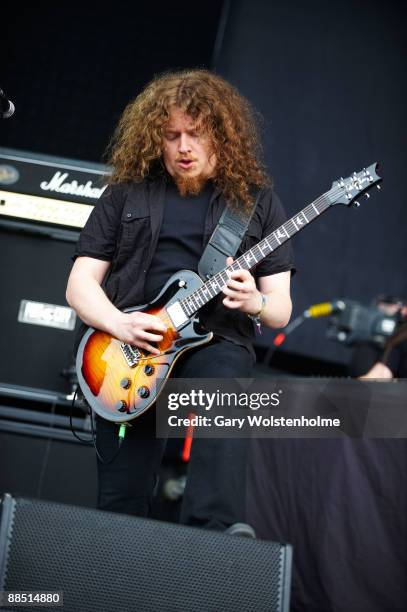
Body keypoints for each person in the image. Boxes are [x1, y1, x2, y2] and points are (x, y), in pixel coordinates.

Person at [66, 69, 295, 530]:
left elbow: (280, 308)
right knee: (121, 503)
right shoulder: (125, 193)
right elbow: (79, 286)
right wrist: (121, 324)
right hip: (132, 348)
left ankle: (217, 533)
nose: (184, 147)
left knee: (226, 378)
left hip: (216, 342)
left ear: (222, 137)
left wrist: (254, 303)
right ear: (156, 139)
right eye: (172, 136)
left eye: (196, 134)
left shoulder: (256, 202)